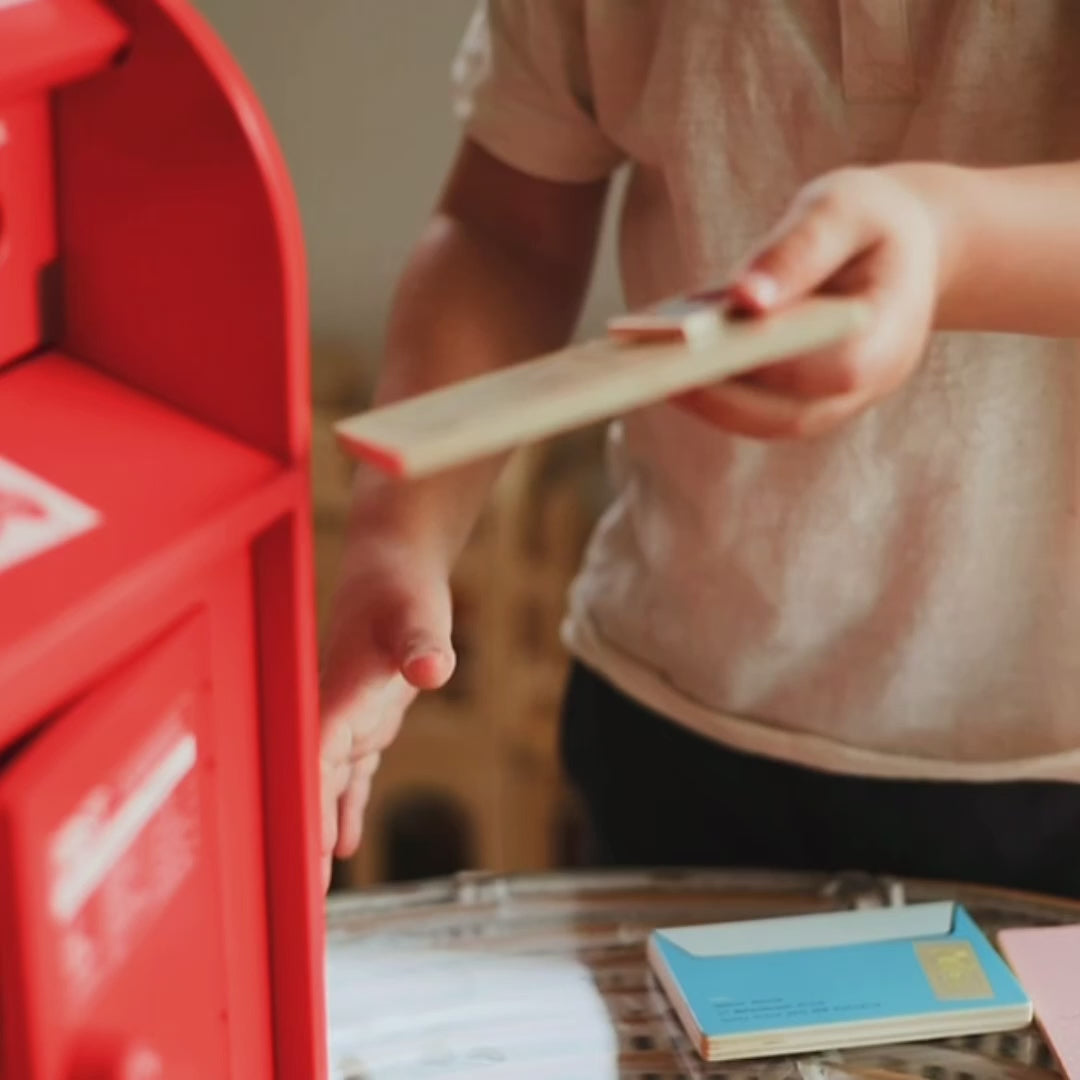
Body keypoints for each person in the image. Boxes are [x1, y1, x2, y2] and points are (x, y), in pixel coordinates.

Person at [319, 1, 1080, 897]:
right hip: (680, 722)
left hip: (1052, 761)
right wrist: (397, 539)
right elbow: (506, 230)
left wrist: (946, 239)